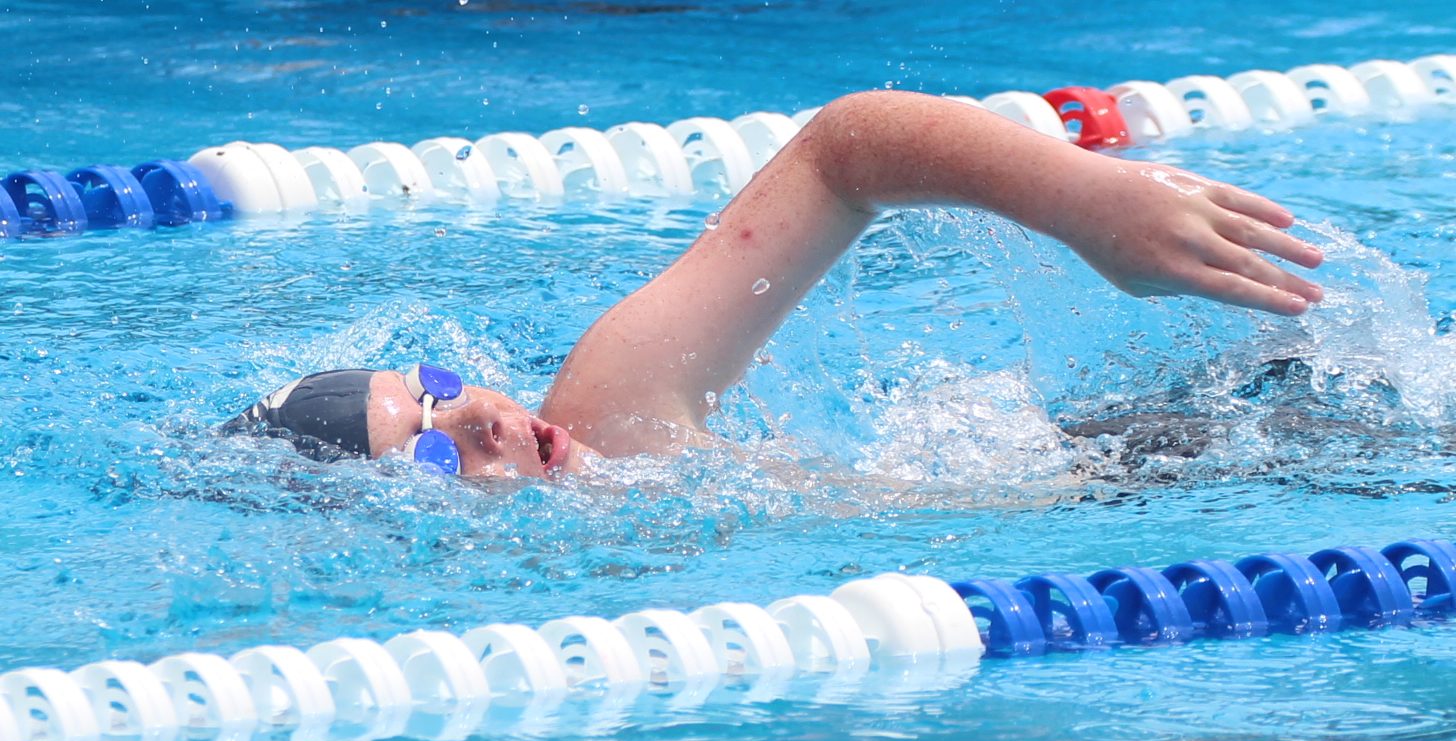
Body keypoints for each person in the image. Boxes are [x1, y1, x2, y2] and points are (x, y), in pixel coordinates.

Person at [224, 91, 1328, 478]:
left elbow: (841, 152)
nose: (473, 413)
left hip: (1172, 455)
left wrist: (1085, 200)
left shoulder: (615, 412)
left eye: (432, 385)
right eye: (425, 448)